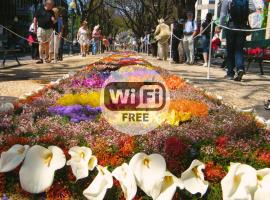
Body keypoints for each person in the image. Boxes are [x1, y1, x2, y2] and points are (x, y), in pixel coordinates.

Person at [220, 0, 255, 81]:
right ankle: (240, 68)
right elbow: (253, 8)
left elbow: (223, 15)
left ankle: (230, 74)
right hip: (242, 27)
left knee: (230, 51)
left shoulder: (227, 0)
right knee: (239, 50)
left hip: (231, 27)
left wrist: (221, 26)